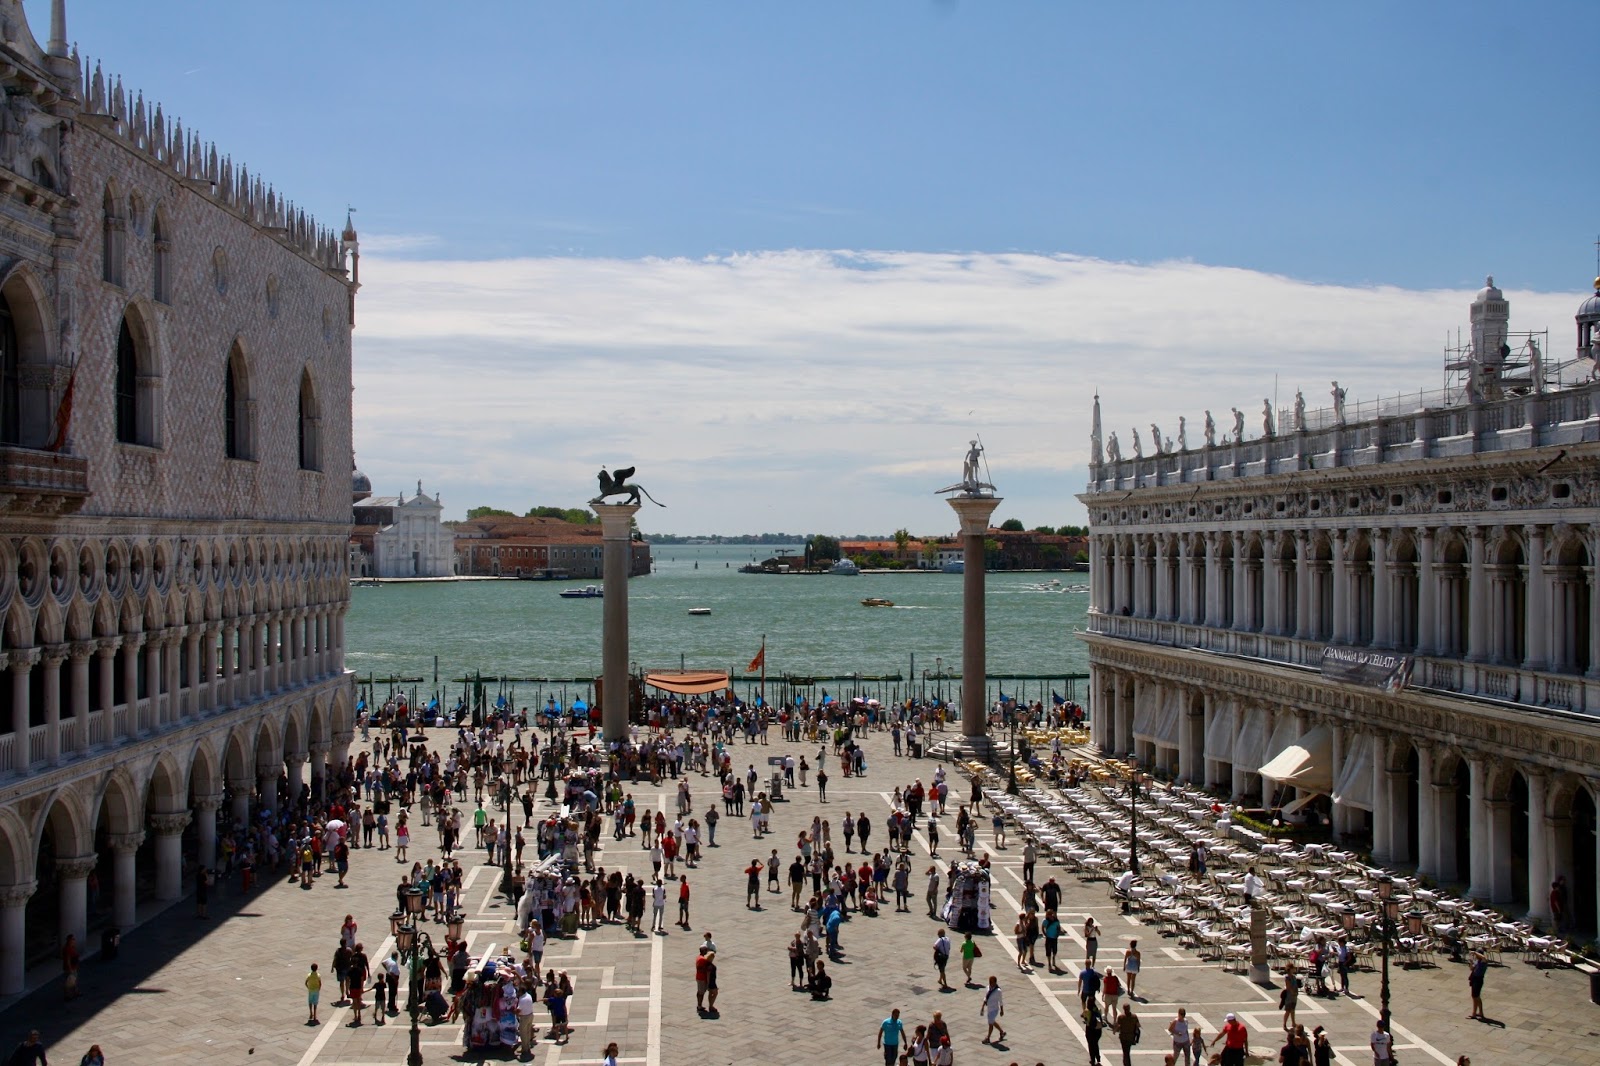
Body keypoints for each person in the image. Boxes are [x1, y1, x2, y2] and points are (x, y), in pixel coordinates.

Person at [980, 975, 1007, 1044]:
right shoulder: (988, 987)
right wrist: (982, 1007)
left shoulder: (998, 991)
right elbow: (986, 997)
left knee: (990, 1024)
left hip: (994, 1009)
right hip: (989, 1009)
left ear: (995, 982)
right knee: (992, 1022)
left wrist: (1002, 1010)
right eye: (989, 982)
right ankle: (1001, 1032)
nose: (990, 983)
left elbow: (1000, 1001)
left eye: (991, 982)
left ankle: (988, 1038)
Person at [1467, 949, 1488, 1020]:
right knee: (1476, 996)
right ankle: (1480, 1012)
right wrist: (1470, 963)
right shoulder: (1477, 961)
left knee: (1475, 996)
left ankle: (1474, 1014)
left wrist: (1474, 952)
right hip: (1474, 978)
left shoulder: (1483, 961)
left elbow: (1484, 957)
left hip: (1478, 980)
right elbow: (1472, 969)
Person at [1280, 961, 1300, 1031]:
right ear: (1290, 969)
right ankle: (1284, 1024)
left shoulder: (1294, 977)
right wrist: (1293, 992)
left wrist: (1296, 992)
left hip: (1294, 996)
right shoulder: (1287, 978)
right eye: (1293, 968)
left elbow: (1295, 986)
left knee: (1293, 1010)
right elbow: (1289, 987)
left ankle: (1293, 1023)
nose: (1294, 969)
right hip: (1289, 996)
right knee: (1288, 1011)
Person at [61, 932, 79, 1000]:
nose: (74, 940)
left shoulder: (72, 947)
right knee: (68, 983)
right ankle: (67, 996)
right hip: (70, 969)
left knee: (74, 981)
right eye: (73, 939)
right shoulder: (67, 949)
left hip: (73, 967)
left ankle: (75, 992)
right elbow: (68, 960)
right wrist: (70, 969)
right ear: (69, 940)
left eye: (74, 939)